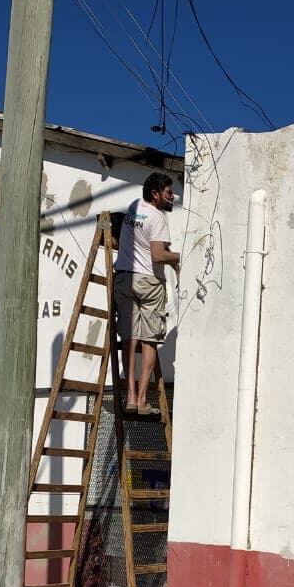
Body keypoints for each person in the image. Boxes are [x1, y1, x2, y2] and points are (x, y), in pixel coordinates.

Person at [114, 172, 180, 415]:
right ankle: (142, 400)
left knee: (130, 340)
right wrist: (180, 257)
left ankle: (130, 398)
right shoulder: (158, 217)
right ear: (155, 194)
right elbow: (157, 256)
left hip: (123, 277)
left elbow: (141, 241)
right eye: (168, 193)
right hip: (148, 282)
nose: (172, 197)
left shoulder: (134, 208)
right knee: (150, 340)